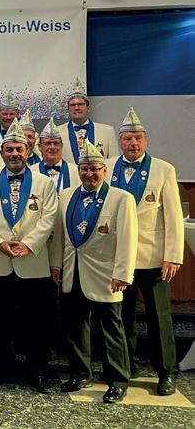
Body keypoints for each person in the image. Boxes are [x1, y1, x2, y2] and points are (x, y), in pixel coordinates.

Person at [106, 107, 184, 396]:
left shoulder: (164, 170)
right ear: (120, 141)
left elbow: (173, 216)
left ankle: (167, 372)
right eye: (127, 138)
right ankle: (126, 366)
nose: (133, 143)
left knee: (159, 317)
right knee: (121, 316)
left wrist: (172, 255)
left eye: (138, 138)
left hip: (153, 258)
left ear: (145, 140)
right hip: (117, 258)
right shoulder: (106, 167)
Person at [0, 119, 58, 393]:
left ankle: (37, 371)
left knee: (36, 321)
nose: (14, 154)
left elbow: (49, 218)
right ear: (1, 153)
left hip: (33, 262)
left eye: (19, 149)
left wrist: (28, 244)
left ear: (28, 151)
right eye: (9, 149)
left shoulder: (44, 182)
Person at [58, 140, 137, 403]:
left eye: (94, 169)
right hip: (73, 272)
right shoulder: (66, 195)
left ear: (104, 170)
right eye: (84, 169)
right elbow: (61, 235)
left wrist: (123, 273)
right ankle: (80, 373)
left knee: (111, 330)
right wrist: (57, 265)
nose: (89, 174)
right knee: (76, 327)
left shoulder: (121, 198)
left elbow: (127, 238)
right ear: (78, 170)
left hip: (106, 275)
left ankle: (118, 380)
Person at [56, 80, 118, 164]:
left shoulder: (107, 131)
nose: (76, 108)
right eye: (73, 105)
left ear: (88, 108)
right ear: (68, 110)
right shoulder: (57, 132)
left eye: (80, 104)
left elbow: (114, 163)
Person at [33, 117, 79, 195]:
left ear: (62, 146)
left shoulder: (76, 171)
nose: (52, 147)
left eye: (56, 143)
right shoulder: (31, 172)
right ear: (39, 147)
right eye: (48, 143)